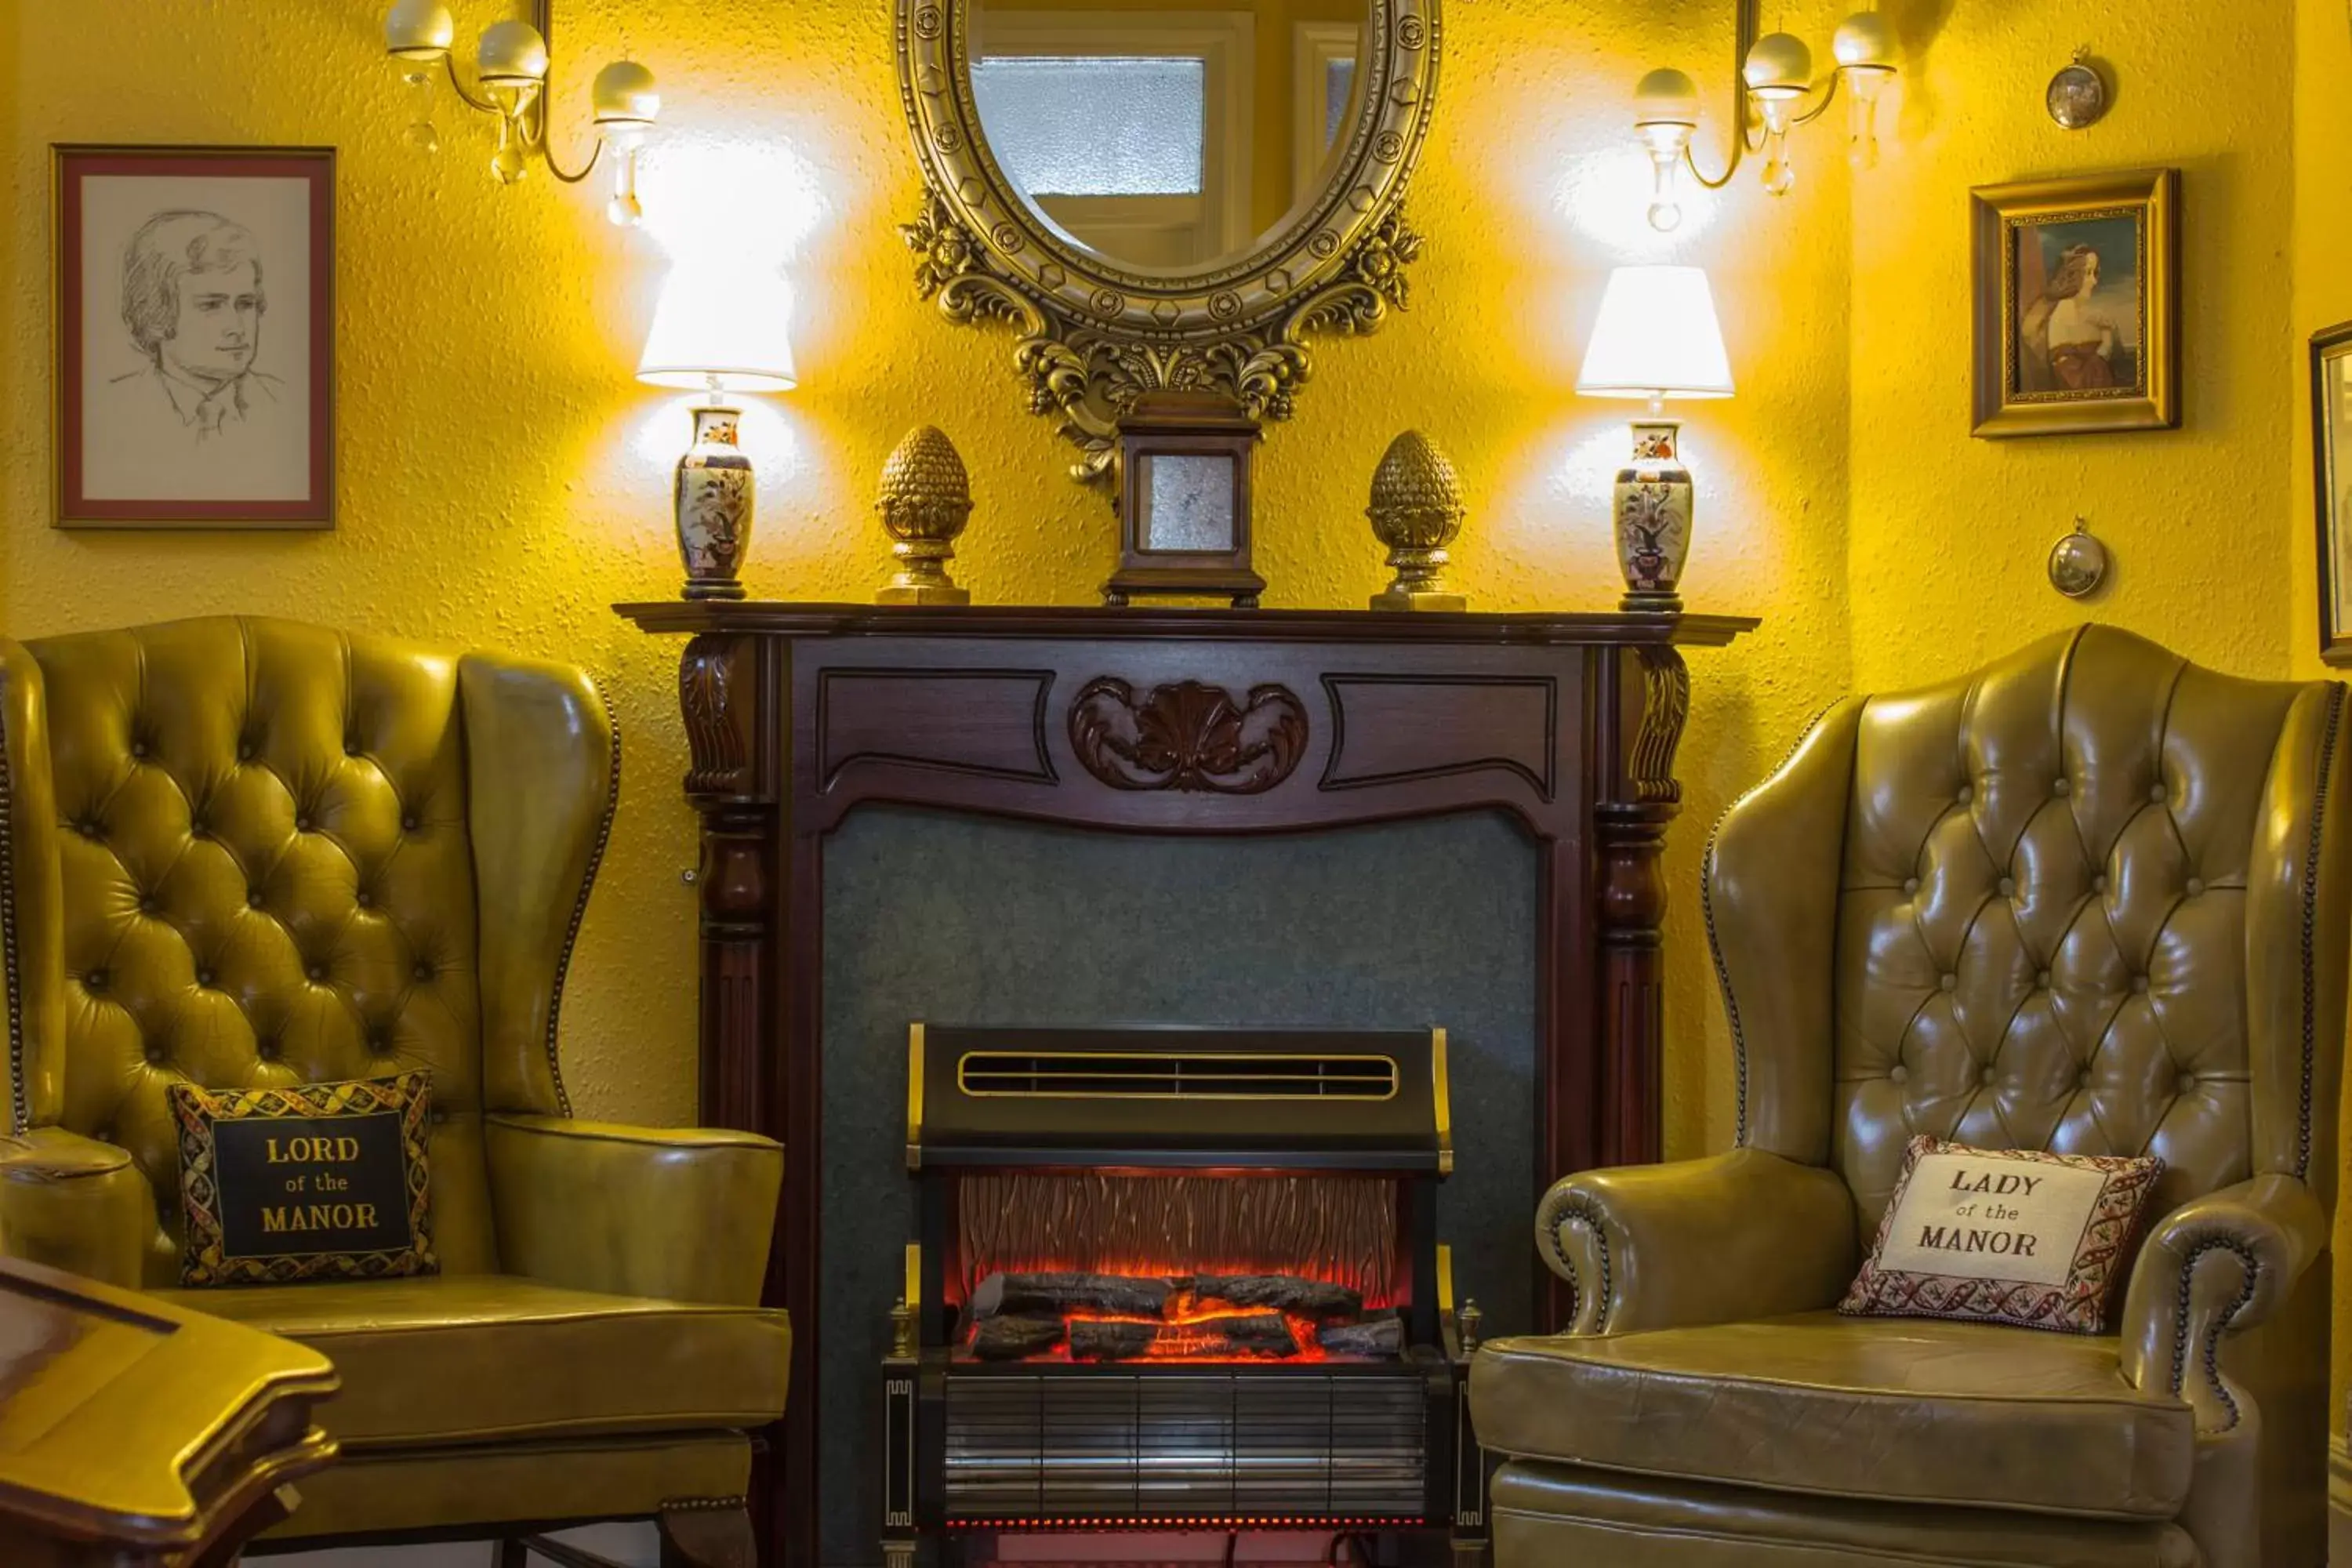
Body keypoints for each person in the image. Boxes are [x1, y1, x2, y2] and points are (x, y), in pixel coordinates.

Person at [105, 210, 282, 445]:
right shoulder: (109, 409)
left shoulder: (288, 404)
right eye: (211, 305)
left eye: (246, 304)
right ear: (157, 311)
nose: (237, 327)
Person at [2020, 242, 2120, 391]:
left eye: (2095, 273)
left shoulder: (2085, 313)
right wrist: (2105, 348)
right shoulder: (2061, 314)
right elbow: (2075, 386)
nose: (2094, 281)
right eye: (2088, 273)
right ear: (2072, 275)